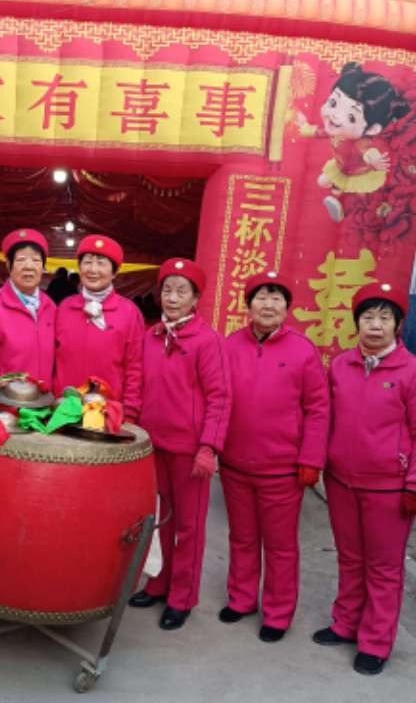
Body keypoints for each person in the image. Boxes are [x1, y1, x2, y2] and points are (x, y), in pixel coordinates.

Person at [219, 271, 329, 643]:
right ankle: (241, 598)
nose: (268, 305)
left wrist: (311, 459)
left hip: (282, 469)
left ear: (287, 308)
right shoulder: (230, 345)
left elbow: (318, 409)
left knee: (280, 547)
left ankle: (278, 613)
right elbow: (217, 398)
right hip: (234, 464)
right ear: (248, 306)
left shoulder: (303, 350)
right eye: (261, 298)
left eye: (276, 299)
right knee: (242, 538)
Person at [313, 282, 416, 676]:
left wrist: (413, 484)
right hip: (341, 480)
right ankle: (346, 623)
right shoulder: (341, 365)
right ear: (357, 322)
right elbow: (325, 418)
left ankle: (375, 641)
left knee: (384, 567)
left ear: (398, 325)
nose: (375, 325)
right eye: (368, 317)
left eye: (384, 318)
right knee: (350, 558)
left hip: (389, 486)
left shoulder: (411, 371)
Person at [129, 259, 231, 630]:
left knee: (189, 527)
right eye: (167, 291)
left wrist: (209, 447)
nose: (172, 298)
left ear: (195, 299)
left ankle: (182, 596)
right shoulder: (151, 336)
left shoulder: (208, 341)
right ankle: (159, 583)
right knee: (162, 521)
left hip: (189, 450)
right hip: (153, 446)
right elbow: (138, 384)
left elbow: (220, 396)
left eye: (181, 292)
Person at [295, 62, 409, 222]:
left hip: (359, 174)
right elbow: (320, 132)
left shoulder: (362, 143)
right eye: (333, 103)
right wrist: (305, 126)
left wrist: (374, 160)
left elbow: (369, 151)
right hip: (340, 167)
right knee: (322, 182)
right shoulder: (337, 131)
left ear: (373, 129)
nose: (334, 116)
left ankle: (343, 210)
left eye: (351, 117)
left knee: (362, 200)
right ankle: (337, 188)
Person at [53, 235, 144, 421]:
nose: (93, 269)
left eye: (101, 263)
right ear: (79, 267)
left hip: (107, 413)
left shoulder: (129, 312)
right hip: (63, 410)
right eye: (87, 262)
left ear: (114, 272)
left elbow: (135, 367)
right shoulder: (64, 308)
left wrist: (130, 413)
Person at [0, 229, 56, 392]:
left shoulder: (50, 307)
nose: (29, 266)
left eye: (36, 260)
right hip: (2, 400)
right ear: (9, 265)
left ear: (43, 267)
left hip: (41, 400)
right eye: (21, 260)